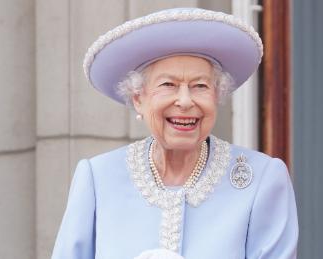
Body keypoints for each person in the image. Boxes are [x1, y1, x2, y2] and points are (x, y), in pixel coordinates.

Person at [52, 7, 298, 259]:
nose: (185, 101)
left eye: (199, 86)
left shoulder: (262, 180)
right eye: (168, 85)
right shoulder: (98, 178)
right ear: (138, 98)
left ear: (216, 95)